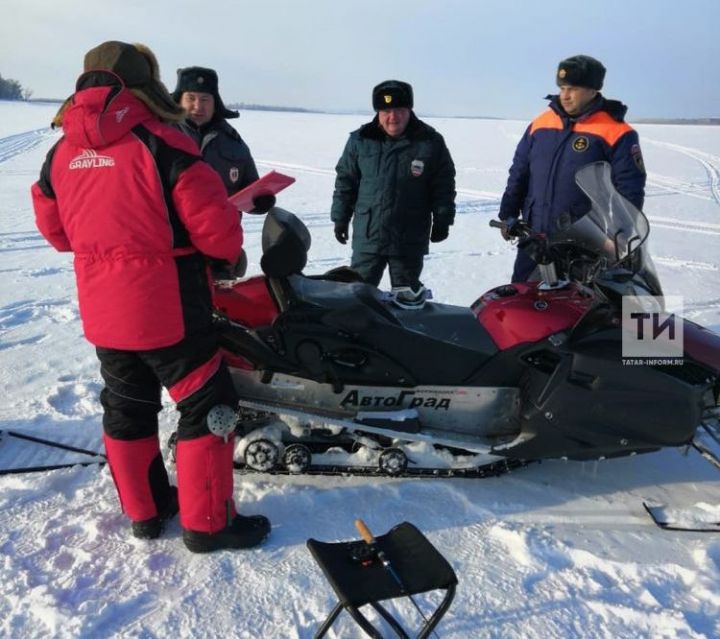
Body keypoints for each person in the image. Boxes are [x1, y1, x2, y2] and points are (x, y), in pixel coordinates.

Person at [31, 41, 270, 553]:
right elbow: (218, 236)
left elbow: (55, 231)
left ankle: (146, 512)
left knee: (127, 405)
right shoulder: (164, 143)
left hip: (102, 307)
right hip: (169, 307)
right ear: (147, 84)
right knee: (209, 404)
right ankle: (209, 525)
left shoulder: (61, 150)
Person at [497, 54, 647, 282]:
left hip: (582, 242)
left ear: (593, 89)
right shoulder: (541, 124)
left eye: (573, 89)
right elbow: (519, 173)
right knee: (525, 303)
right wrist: (507, 214)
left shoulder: (617, 132)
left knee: (576, 310)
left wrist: (618, 234)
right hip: (535, 237)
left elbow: (629, 190)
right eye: (562, 88)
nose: (565, 95)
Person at [330, 80, 456, 300]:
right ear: (378, 112)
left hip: (409, 238)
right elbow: (345, 182)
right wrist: (340, 218)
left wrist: (443, 220)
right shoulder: (360, 140)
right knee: (358, 298)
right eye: (386, 110)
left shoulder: (430, 142)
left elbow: (443, 186)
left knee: (407, 301)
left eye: (399, 110)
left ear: (409, 110)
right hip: (369, 236)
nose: (393, 117)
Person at [172, 66, 275, 213]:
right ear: (179, 100)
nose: (198, 106)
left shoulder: (233, 142)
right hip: (173, 234)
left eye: (205, 99)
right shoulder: (161, 136)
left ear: (215, 103)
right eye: (191, 98)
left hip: (222, 233)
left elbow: (248, 190)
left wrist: (259, 202)